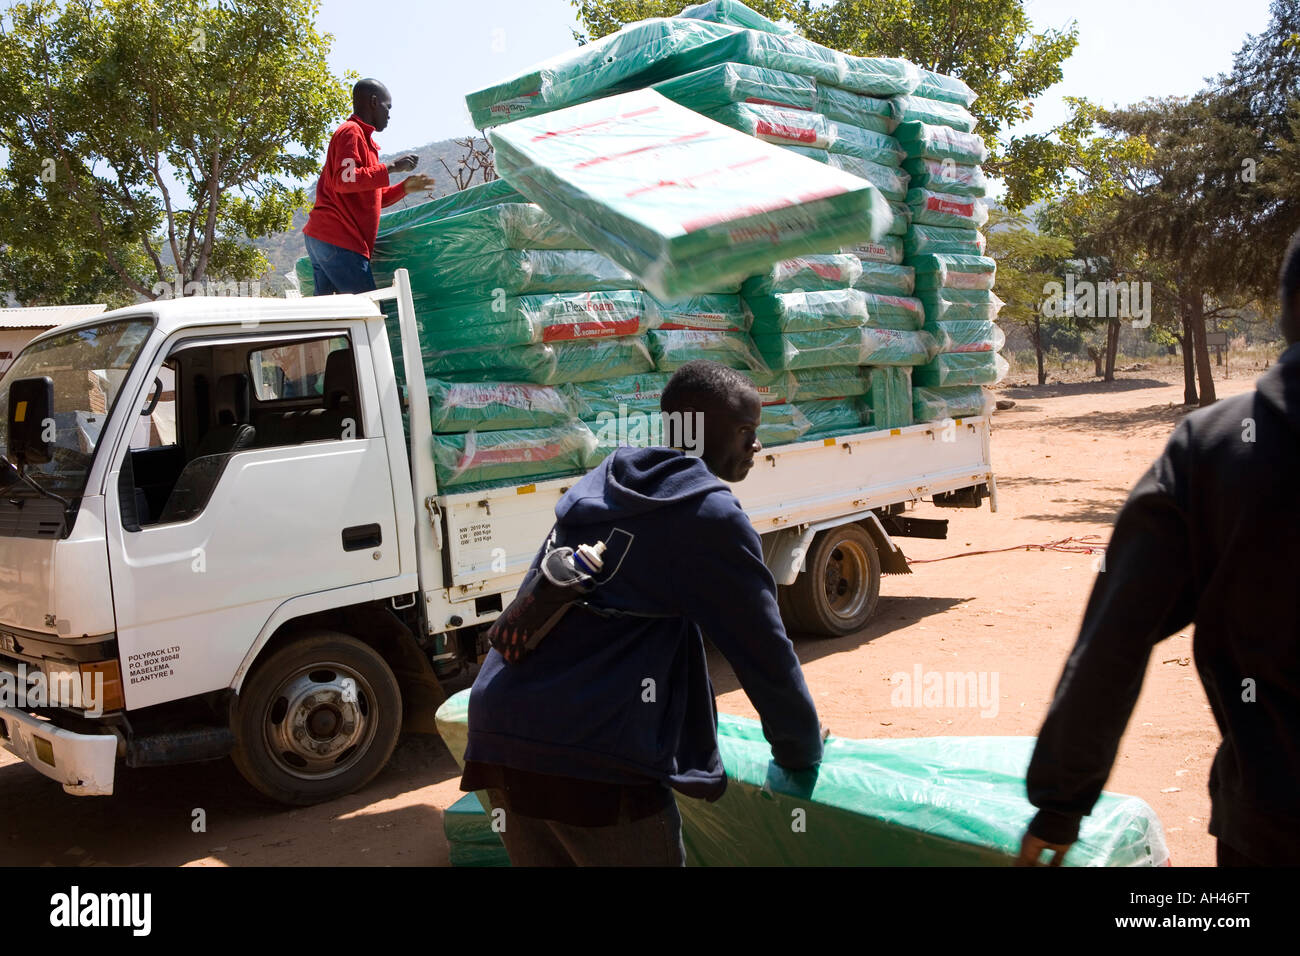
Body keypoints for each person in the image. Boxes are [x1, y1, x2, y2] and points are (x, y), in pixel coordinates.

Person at [460, 360, 825, 866]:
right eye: (746, 432)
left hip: (503, 736)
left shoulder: (603, 483)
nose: (756, 446)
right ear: (704, 432)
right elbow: (765, 654)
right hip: (594, 758)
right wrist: (799, 751)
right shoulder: (709, 516)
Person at [1019, 231, 1300, 867]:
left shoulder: (1214, 448)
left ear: (1287, 309)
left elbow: (1116, 637)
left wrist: (1061, 804)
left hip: (1273, 823)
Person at [303, 78, 434, 295]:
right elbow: (345, 180)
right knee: (368, 310)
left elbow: (372, 197)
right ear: (374, 102)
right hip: (339, 238)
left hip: (326, 239)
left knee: (332, 316)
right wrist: (391, 167)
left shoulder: (366, 142)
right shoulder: (351, 132)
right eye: (387, 107)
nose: (389, 114)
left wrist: (405, 187)